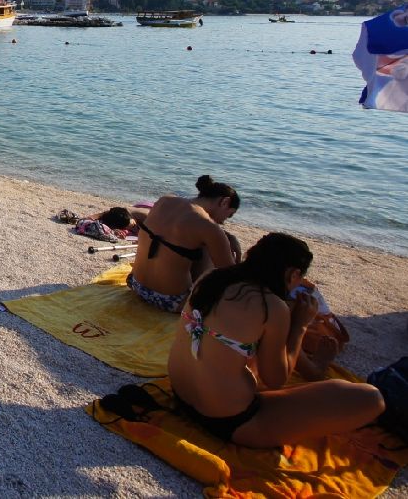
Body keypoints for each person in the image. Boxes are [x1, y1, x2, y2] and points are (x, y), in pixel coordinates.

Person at [167, 233, 383, 448]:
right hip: (228, 420)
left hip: (181, 395)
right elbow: (275, 379)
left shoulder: (211, 278)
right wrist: (299, 325)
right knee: (371, 399)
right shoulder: (271, 306)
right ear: (293, 274)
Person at [127, 175, 240, 314]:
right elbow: (229, 277)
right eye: (229, 215)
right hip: (172, 302)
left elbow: (176, 229)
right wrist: (234, 250)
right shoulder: (209, 227)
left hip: (136, 284)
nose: (224, 221)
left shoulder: (165, 200)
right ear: (225, 202)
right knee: (211, 254)